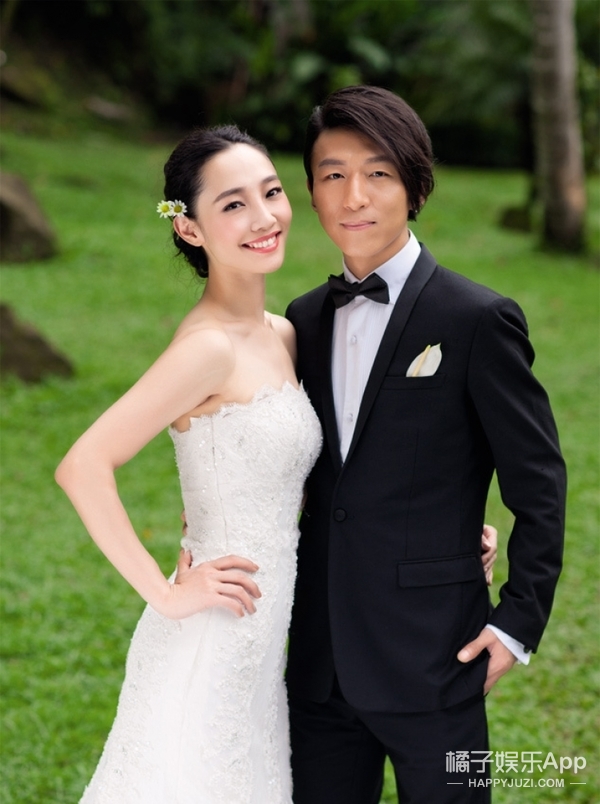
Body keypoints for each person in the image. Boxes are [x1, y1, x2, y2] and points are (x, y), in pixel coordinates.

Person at [284, 86, 566, 804]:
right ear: (312, 191)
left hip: (437, 659)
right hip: (320, 666)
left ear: (414, 186)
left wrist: (517, 623)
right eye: (332, 174)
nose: (353, 196)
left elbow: (538, 483)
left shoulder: (477, 319)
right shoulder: (302, 321)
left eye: (377, 173)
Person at [55, 125, 323, 804]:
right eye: (233, 204)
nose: (264, 217)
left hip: (261, 641)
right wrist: (167, 593)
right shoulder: (207, 348)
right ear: (190, 229)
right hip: (211, 636)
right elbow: (83, 465)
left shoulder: (281, 333)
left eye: (271, 192)